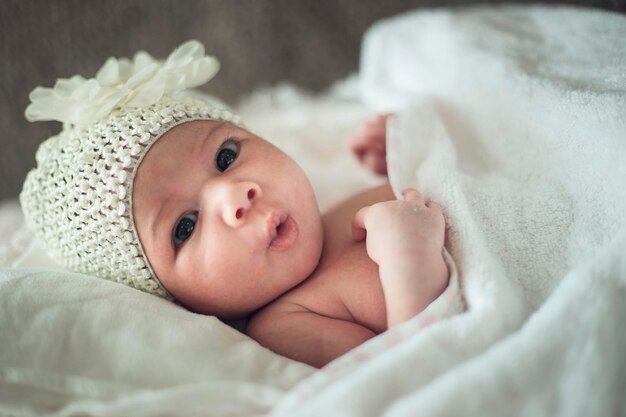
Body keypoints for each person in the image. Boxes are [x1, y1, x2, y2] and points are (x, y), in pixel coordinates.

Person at [20, 41, 454, 368]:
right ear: (174, 301)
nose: (235, 194)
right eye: (185, 226)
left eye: (225, 157)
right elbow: (409, 370)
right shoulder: (286, 325)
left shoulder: (331, 211)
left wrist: (396, 154)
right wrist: (408, 258)